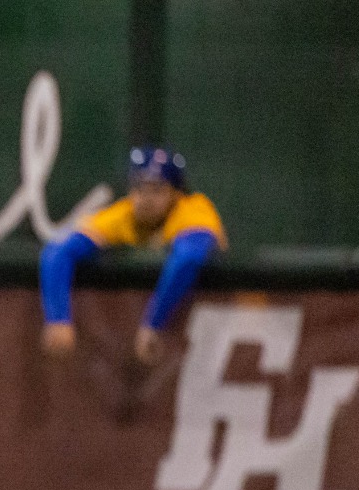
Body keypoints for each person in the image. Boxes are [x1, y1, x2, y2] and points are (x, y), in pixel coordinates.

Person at [39, 145, 226, 364]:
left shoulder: (193, 210)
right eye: (140, 188)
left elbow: (188, 259)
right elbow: (57, 251)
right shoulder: (124, 214)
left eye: (157, 189)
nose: (146, 198)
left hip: (216, 326)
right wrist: (58, 318)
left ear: (176, 194)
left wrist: (153, 323)